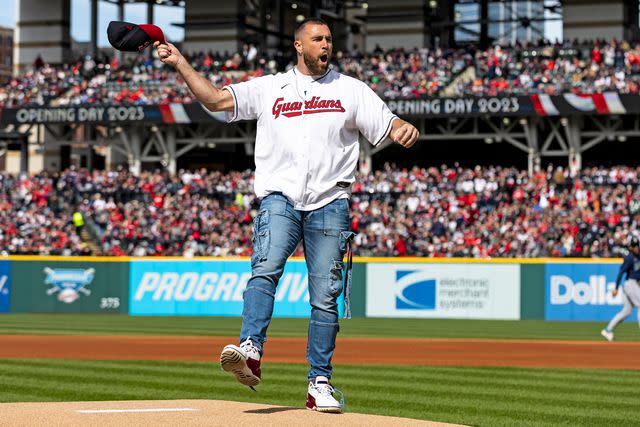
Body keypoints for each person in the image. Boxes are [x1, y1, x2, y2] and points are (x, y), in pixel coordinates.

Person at [154, 18, 419, 413]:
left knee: (325, 299)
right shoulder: (269, 87)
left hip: (331, 201)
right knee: (265, 270)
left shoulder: (351, 90)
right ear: (298, 45)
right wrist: (179, 63)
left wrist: (400, 126)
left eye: (329, 39)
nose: (325, 44)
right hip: (280, 197)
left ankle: (320, 383)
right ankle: (251, 350)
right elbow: (214, 99)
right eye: (317, 39)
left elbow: (386, 121)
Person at [601, 237, 640, 341]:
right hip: (630, 284)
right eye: (634, 246)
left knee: (626, 311)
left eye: (637, 246)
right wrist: (616, 288)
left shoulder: (638, 256)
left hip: (634, 284)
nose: (636, 248)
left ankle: (607, 330)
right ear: (631, 247)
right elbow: (621, 272)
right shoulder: (629, 258)